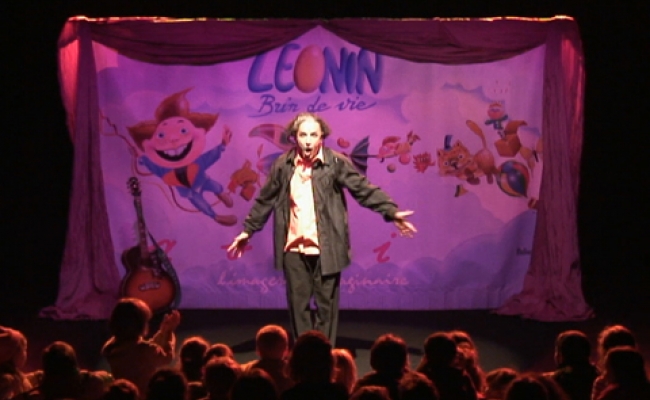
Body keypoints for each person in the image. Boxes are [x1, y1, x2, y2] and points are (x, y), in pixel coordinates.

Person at [227, 112, 417, 345]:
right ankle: (303, 352)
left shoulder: (335, 162)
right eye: (303, 135)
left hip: (327, 247)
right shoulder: (283, 165)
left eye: (313, 135)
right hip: (293, 248)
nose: (308, 141)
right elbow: (264, 200)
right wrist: (248, 230)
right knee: (298, 306)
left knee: (326, 306)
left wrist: (391, 211)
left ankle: (323, 352)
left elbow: (363, 189)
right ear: (294, 137)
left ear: (322, 137)